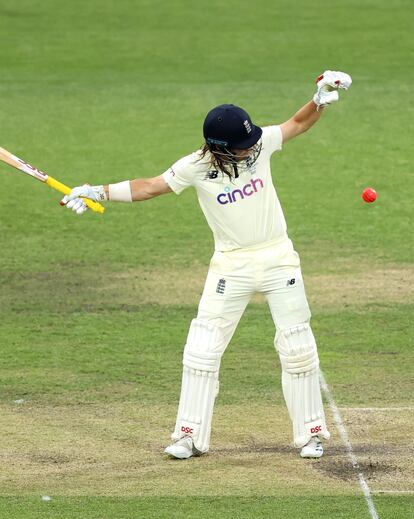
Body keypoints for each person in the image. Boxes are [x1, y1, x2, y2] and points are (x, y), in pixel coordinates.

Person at [60, 70, 352, 459]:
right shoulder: (195, 166)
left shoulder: (260, 144)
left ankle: (312, 433)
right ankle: (189, 436)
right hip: (230, 267)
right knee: (202, 350)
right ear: (220, 147)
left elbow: (298, 123)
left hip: (278, 258)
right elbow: (148, 187)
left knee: (297, 345)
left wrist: (319, 99)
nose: (251, 148)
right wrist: (97, 190)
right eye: (242, 145)